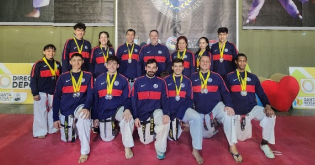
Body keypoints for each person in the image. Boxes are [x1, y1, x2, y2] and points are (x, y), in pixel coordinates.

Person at [190, 55, 242, 163]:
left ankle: (232, 146)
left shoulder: (217, 77)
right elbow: (187, 95)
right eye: (202, 61)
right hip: (199, 109)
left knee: (229, 114)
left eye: (207, 61)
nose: (204, 63)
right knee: (205, 135)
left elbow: (225, 92)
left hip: (215, 106)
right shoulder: (192, 77)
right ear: (199, 63)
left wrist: (229, 105)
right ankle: (195, 150)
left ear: (210, 64)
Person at [225, 53, 276, 159]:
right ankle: (232, 145)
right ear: (236, 62)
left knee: (271, 116)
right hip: (235, 111)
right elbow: (225, 93)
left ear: (246, 62)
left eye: (244, 61)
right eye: (240, 61)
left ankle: (264, 143)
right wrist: (228, 106)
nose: (242, 63)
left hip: (252, 109)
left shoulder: (253, 77)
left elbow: (261, 93)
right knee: (240, 138)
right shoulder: (229, 76)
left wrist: (267, 105)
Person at [53, 53, 93, 163]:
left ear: (82, 61)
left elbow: (90, 94)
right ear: (70, 62)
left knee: (83, 118)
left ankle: (84, 151)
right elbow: (56, 97)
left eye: (79, 60)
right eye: (74, 60)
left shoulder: (88, 75)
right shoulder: (63, 77)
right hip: (66, 109)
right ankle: (74, 125)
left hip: (80, 106)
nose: (77, 62)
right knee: (68, 139)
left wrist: (86, 107)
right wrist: (55, 118)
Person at [92, 56, 134, 159]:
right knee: (106, 139)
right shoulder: (99, 79)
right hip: (104, 110)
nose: (112, 66)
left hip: (118, 108)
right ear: (105, 65)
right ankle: (114, 129)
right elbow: (95, 99)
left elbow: (127, 97)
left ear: (118, 66)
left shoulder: (123, 80)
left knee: (128, 118)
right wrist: (95, 117)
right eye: (109, 63)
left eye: (114, 63)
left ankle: (127, 146)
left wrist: (127, 109)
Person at [164, 58, 204, 164]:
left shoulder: (187, 81)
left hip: (182, 111)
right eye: (175, 66)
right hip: (170, 112)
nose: (177, 68)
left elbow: (190, 99)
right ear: (172, 67)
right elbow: (163, 99)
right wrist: (168, 113)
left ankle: (196, 150)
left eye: (179, 66)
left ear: (183, 67)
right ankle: (175, 125)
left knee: (197, 118)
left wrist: (180, 113)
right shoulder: (166, 80)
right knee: (172, 138)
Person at [131, 59, 170, 160]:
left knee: (165, 121)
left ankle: (161, 149)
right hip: (142, 114)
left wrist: (166, 113)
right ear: (145, 68)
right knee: (145, 141)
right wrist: (135, 117)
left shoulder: (161, 82)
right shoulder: (138, 82)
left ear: (157, 69)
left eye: (153, 68)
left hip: (156, 112)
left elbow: (165, 99)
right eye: (149, 67)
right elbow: (133, 101)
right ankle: (158, 131)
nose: (151, 70)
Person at [30, 44, 61, 138]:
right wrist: (35, 93)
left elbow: (60, 79)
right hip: (41, 93)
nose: (51, 53)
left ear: (55, 52)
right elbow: (33, 79)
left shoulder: (58, 64)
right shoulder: (38, 64)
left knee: (53, 111)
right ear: (44, 52)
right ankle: (40, 131)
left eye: (53, 51)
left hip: (54, 92)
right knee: (40, 113)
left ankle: (53, 128)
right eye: (48, 51)